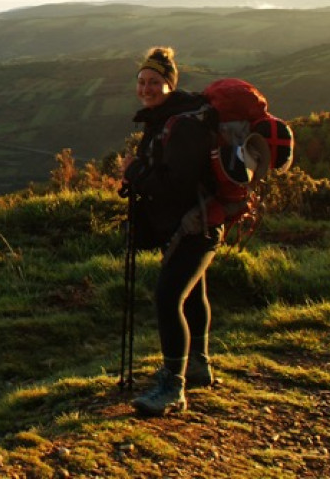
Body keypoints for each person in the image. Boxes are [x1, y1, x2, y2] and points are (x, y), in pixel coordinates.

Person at [120, 46, 229, 416]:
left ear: (170, 84)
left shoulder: (182, 126)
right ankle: (198, 365)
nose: (146, 88)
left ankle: (172, 387)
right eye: (141, 81)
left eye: (154, 82)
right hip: (193, 224)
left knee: (168, 298)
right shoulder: (167, 119)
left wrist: (135, 171)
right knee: (193, 294)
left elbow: (175, 186)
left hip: (195, 227)